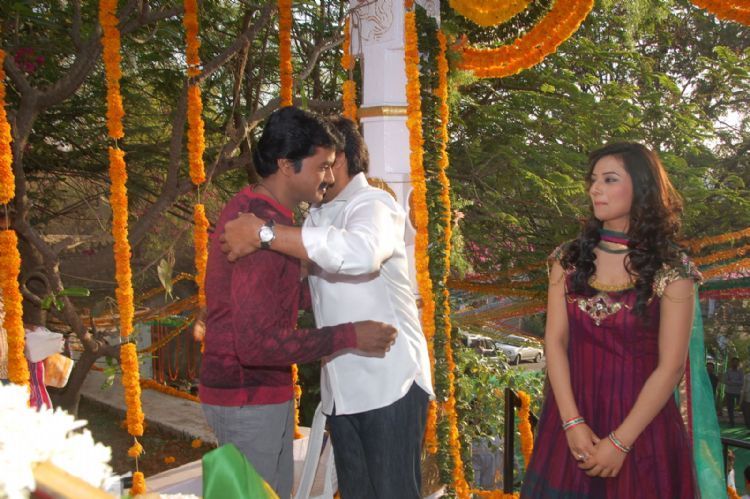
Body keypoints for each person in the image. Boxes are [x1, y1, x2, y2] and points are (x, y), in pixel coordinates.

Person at [220, 116, 434, 498]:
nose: (319, 174)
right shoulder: (317, 215)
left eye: (323, 163)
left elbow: (360, 254)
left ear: (340, 159)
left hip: (390, 384)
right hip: (342, 392)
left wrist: (264, 233)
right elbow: (313, 292)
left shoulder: (374, 204)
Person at [520, 143, 705, 497]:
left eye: (609, 179)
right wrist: (572, 423)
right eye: (593, 180)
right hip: (572, 426)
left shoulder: (672, 269)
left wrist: (620, 442)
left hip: (642, 432)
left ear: (641, 187)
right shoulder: (568, 259)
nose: (595, 189)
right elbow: (555, 342)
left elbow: (670, 368)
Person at [725, 357, 744, 426]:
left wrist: (732, 381)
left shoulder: (741, 371)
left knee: (743, 407)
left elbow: (742, 382)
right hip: (729, 392)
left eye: (736, 362)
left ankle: (747, 422)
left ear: (738, 363)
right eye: (734, 362)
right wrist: (736, 382)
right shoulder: (728, 371)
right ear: (731, 363)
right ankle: (731, 422)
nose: (735, 363)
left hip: (738, 392)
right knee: (730, 408)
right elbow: (726, 381)